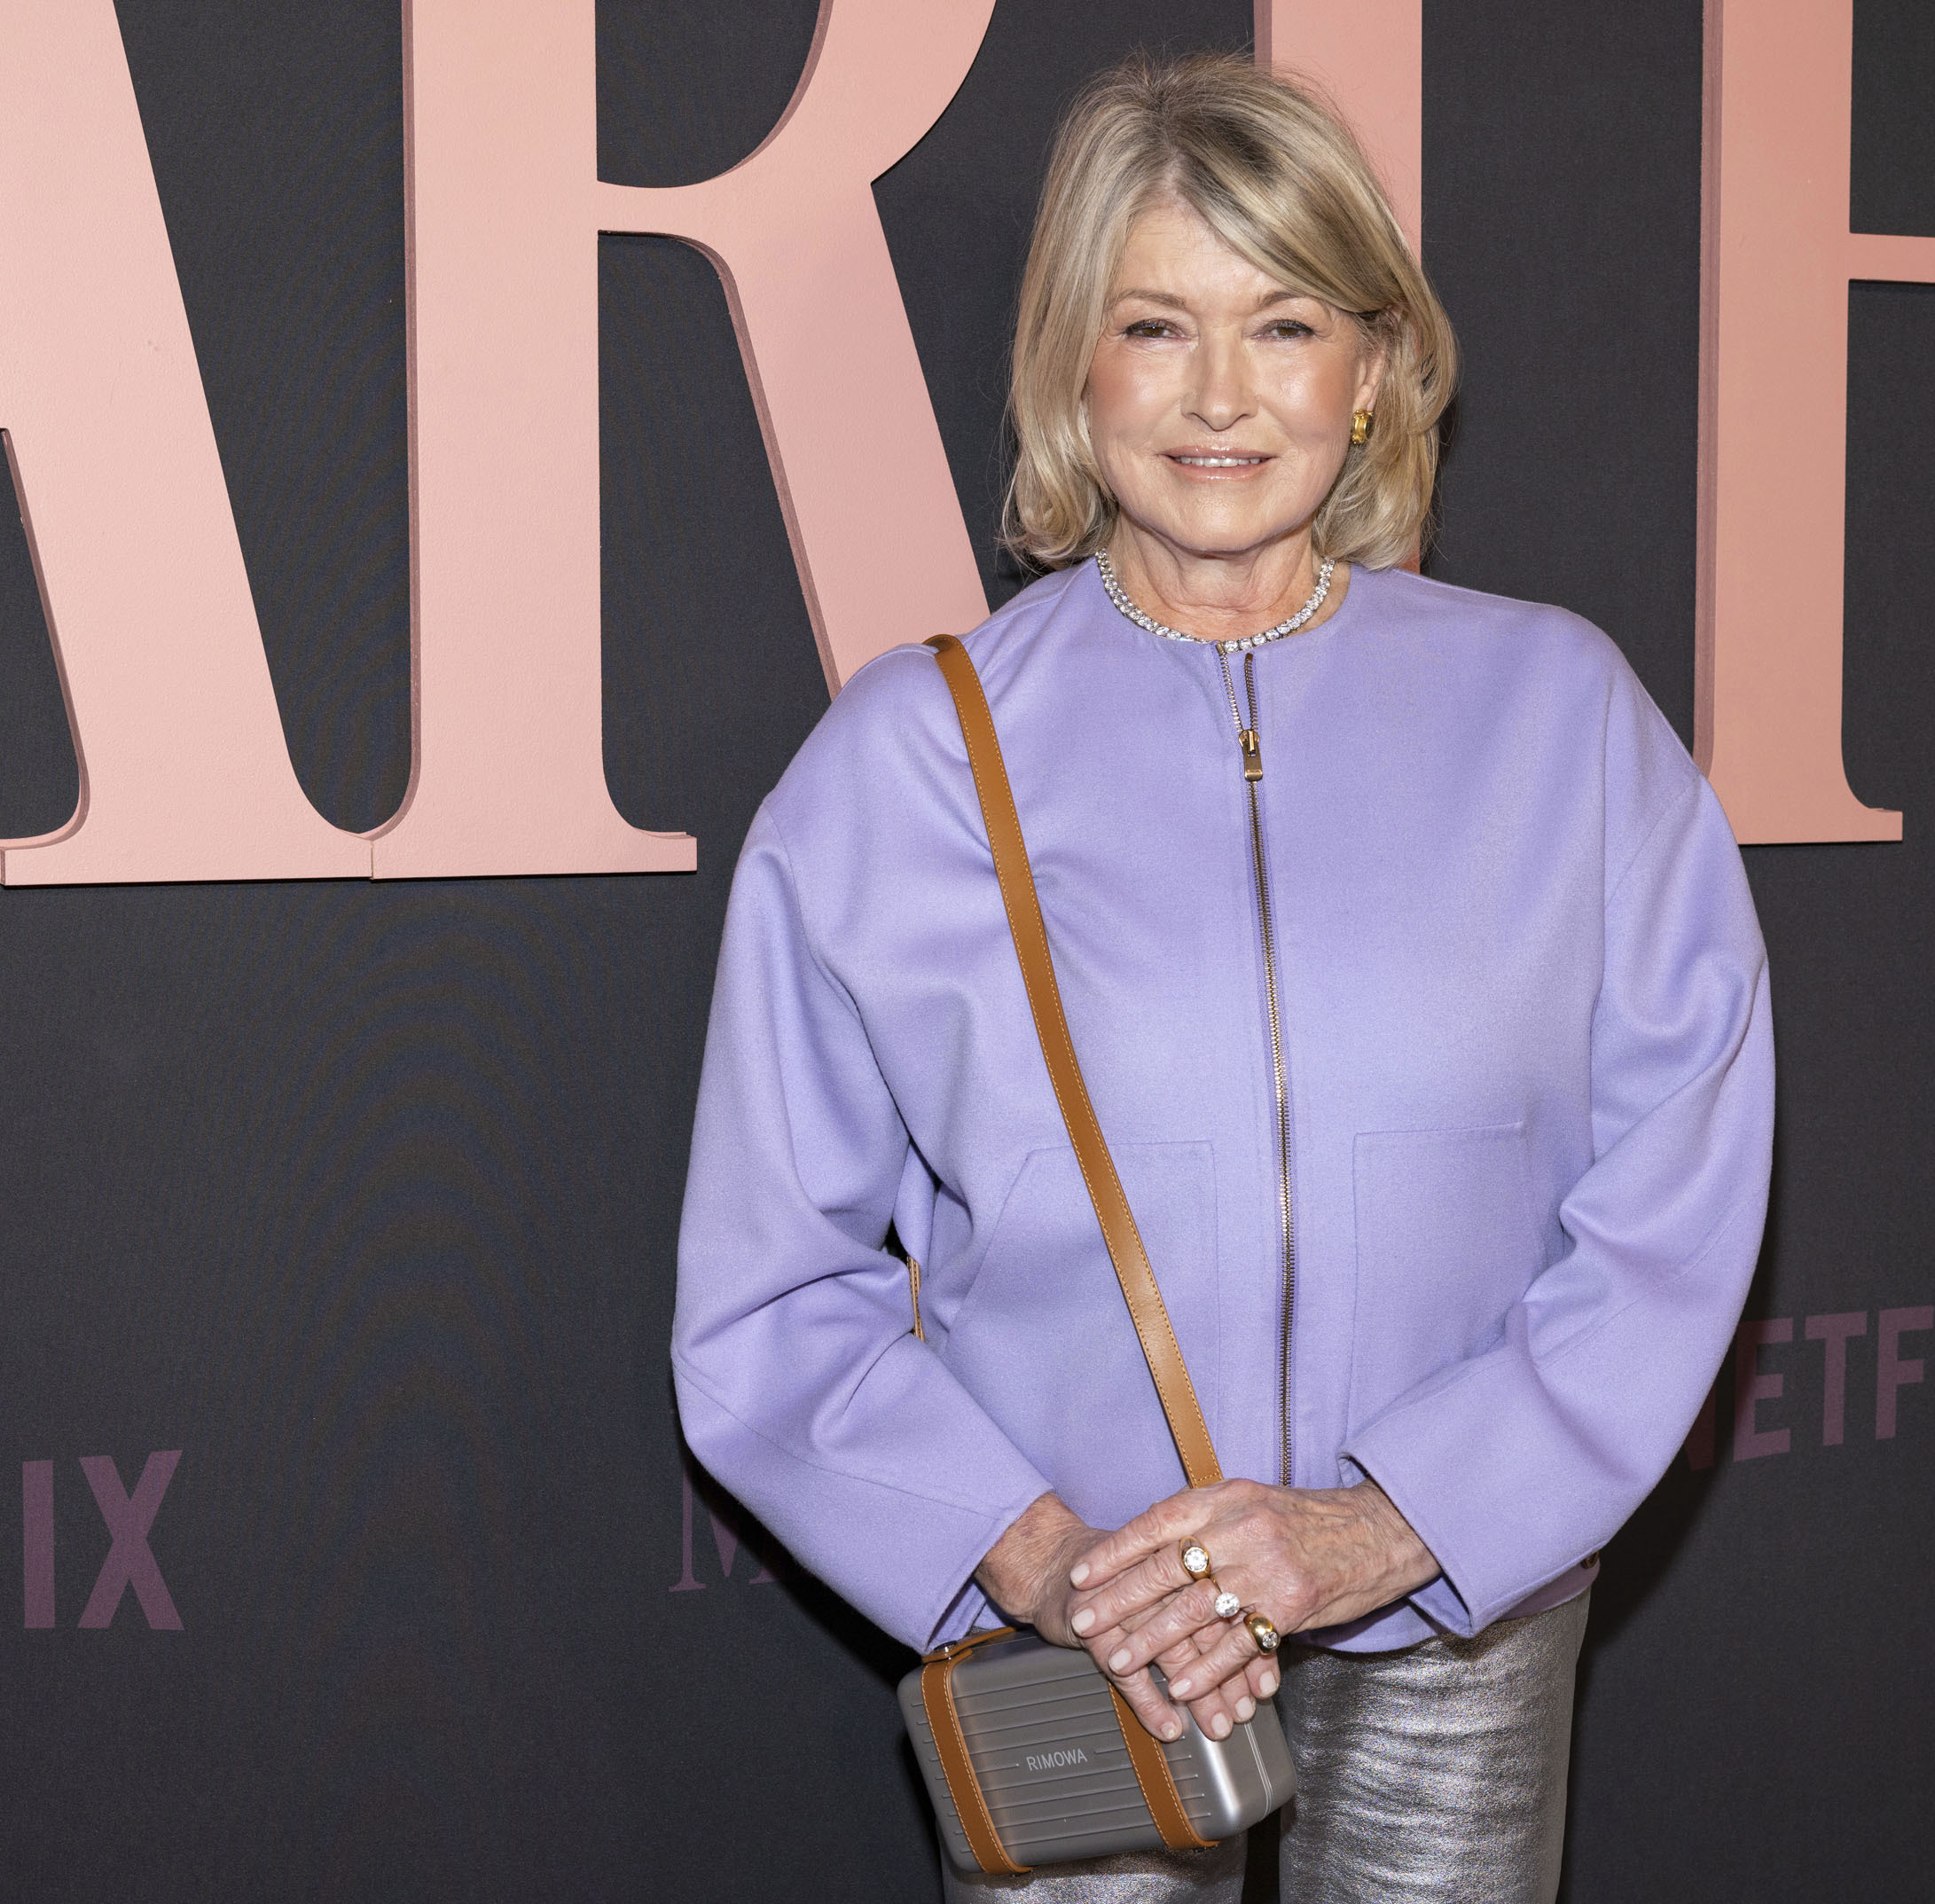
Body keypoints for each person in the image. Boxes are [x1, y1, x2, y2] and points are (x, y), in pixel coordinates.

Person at [672, 50, 1772, 1904]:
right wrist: (1041, 1563)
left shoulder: (1558, 716)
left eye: (1280, 323)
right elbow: (767, 1292)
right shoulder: (909, 762)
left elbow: (1673, 1189)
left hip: (1453, 1616)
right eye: (1151, 326)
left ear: (1373, 368)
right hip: (1080, 1632)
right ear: (1070, 371)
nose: (1217, 396)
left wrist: (1389, 1525)